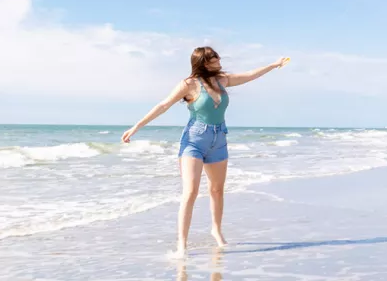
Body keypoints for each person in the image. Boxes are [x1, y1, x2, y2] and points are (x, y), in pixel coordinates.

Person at [122, 46, 289, 257]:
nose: (218, 59)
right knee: (190, 192)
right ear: (203, 62)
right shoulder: (189, 84)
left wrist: (273, 65)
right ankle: (182, 244)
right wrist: (136, 127)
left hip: (219, 140)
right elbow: (163, 105)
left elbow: (249, 76)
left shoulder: (223, 80)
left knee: (217, 190)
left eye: (217, 56)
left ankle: (216, 231)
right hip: (194, 141)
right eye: (213, 58)